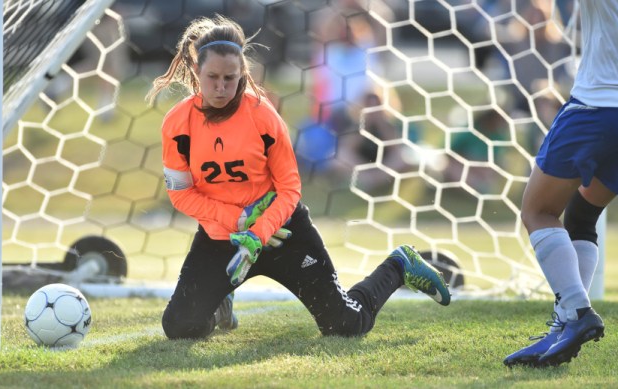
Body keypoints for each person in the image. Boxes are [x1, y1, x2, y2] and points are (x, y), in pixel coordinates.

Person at [145, 15, 452, 340]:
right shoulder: (177, 123)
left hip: (282, 232)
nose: (221, 88)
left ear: (243, 74)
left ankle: (400, 265)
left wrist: (260, 231)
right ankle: (219, 300)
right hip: (226, 237)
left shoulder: (263, 117)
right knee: (180, 327)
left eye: (230, 78)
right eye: (212, 77)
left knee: (345, 325)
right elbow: (181, 193)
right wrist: (239, 221)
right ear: (195, 71)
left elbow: (290, 188)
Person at [504, 0, 618, 367]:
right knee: (582, 214)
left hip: (599, 107)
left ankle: (578, 314)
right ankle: (565, 323)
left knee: (538, 210)